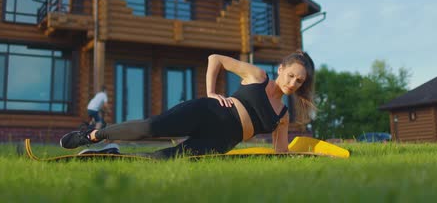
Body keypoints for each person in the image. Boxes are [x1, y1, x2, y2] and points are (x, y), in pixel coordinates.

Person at [61, 51, 316, 159]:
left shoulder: (282, 116)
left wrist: (310, 155)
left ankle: (113, 154)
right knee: (151, 127)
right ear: (281, 69)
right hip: (208, 113)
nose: (293, 83)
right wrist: (212, 92)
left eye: (299, 81)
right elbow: (215, 59)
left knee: (162, 159)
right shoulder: (258, 76)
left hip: (221, 142)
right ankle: (92, 136)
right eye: (290, 75)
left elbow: (280, 154)